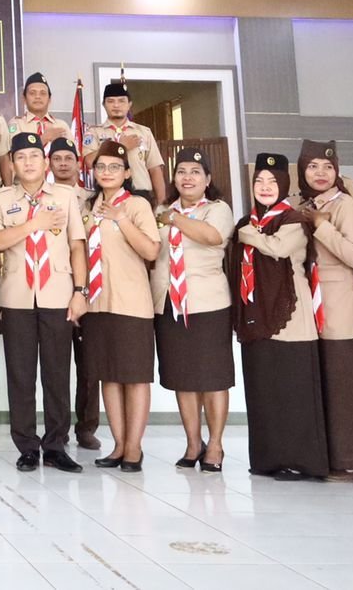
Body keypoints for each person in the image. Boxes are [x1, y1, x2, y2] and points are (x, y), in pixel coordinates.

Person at [0, 131, 86, 473]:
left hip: (57, 292)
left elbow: (77, 246)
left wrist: (80, 291)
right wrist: (34, 224)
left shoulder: (66, 196)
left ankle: (56, 444)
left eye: (34, 156)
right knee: (20, 374)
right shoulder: (2, 199)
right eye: (21, 157)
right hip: (17, 295)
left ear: (46, 163)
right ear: (12, 164)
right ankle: (27, 446)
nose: (28, 162)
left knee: (57, 373)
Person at [232, 153, 329, 481]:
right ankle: (269, 458)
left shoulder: (293, 219)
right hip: (256, 313)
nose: (264, 186)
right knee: (264, 388)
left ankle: (300, 460)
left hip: (291, 315)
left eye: (272, 181)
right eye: (259, 180)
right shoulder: (248, 220)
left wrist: (248, 234)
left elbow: (276, 248)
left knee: (292, 389)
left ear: (284, 185)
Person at [298, 139, 353, 483]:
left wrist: (322, 225)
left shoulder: (346, 206)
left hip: (343, 309)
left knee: (348, 389)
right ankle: (332, 459)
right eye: (312, 166)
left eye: (328, 167)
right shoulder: (303, 206)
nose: (320, 173)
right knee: (327, 388)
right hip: (313, 309)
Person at [153, 148, 235, 473]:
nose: (187, 177)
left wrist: (174, 219)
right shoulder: (161, 209)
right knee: (183, 377)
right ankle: (192, 443)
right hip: (168, 301)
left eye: (195, 172)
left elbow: (212, 236)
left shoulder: (217, 209)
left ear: (208, 179)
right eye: (181, 171)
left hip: (207, 303)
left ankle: (215, 445)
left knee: (213, 377)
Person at [80, 141, 160, 472]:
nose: (107, 172)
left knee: (135, 377)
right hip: (96, 304)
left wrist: (121, 220)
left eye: (115, 167)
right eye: (101, 167)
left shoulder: (137, 205)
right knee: (108, 377)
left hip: (131, 303)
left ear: (127, 173)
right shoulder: (88, 206)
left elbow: (151, 251)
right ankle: (118, 444)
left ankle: (134, 447)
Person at [49, 136, 100, 450]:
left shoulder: (93, 199)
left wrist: (83, 290)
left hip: (87, 287)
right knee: (55, 365)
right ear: (49, 164)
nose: (63, 164)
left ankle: (87, 427)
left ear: (78, 163)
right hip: (53, 286)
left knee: (88, 365)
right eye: (57, 159)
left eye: (69, 158)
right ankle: (57, 429)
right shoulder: (42, 198)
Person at [82, 82, 165, 202]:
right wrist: (119, 146)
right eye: (111, 101)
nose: (116, 105)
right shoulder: (94, 132)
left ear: (129, 104)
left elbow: (155, 168)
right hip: (108, 196)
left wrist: (161, 203)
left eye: (121, 101)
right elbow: (89, 162)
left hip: (141, 196)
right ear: (104, 105)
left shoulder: (143, 132)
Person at [9, 73, 72, 156]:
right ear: (24, 99)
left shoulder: (61, 125)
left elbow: (74, 157)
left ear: (49, 99)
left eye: (43, 93)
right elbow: (16, 154)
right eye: (32, 93)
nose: (37, 97)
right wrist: (44, 138)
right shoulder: (16, 123)